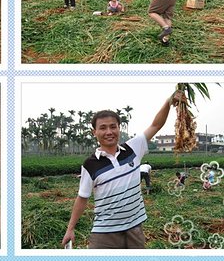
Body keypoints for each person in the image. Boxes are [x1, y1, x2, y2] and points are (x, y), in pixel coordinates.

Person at [61, 90, 184, 249]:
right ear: (94, 132)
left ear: (119, 128)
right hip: (104, 233)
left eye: (113, 127)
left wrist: (169, 102)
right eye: (103, 128)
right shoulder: (90, 164)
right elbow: (82, 198)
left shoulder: (133, 148)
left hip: (135, 229)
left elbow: (156, 125)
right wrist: (70, 229)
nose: (109, 132)